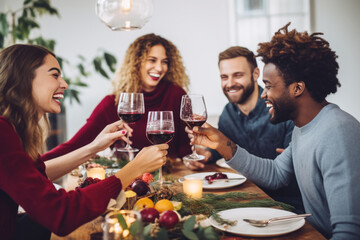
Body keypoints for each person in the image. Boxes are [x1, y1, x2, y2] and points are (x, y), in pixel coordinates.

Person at [187, 23, 360, 239]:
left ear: (297, 88)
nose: (263, 94)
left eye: (268, 86)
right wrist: (222, 143)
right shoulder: (303, 128)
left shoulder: (338, 132)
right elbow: (275, 174)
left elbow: (349, 232)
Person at [0, 44, 169, 239]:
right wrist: (134, 169)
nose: (64, 84)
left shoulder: (10, 129)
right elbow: (59, 213)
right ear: (23, 78)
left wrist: (94, 147)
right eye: (55, 75)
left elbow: (37, 174)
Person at [186, 46, 303, 212]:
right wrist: (208, 154)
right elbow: (226, 148)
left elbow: (290, 168)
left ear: (256, 74)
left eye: (238, 75)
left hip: (285, 205)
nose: (230, 83)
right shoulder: (227, 113)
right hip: (242, 197)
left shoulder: (282, 110)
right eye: (224, 77)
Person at [42, 33, 192, 162]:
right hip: (129, 181)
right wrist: (29, 164)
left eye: (164, 62)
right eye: (152, 60)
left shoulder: (177, 94)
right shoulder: (114, 103)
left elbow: (185, 149)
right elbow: (75, 145)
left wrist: (195, 159)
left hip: (169, 179)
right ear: (136, 62)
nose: (159, 68)